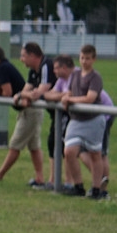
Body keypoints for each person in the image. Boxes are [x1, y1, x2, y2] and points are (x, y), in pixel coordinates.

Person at [0, 43, 52, 185]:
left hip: (30, 111)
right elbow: (4, 92)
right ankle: (40, 178)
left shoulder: (3, 68)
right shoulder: (2, 69)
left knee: (15, 145)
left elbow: (5, 93)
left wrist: (19, 95)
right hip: (29, 109)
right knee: (34, 147)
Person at [60, 44, 107, 199]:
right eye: (82, 58)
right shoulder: (74, 75)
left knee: (95, 154)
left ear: (94, 59)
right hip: (76, 119)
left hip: (93, 119)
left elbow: (90, 98)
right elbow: (69, 90)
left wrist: (70, 100)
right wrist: (66, 96)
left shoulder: (96, 77)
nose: (84, 61)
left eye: (88, 58)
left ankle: (96, 189)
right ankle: (78, 186)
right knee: (69, 151)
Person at [41, 54, 74, 190]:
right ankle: (53, 180)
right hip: (62, 114)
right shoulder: (61, 80)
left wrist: (60, 96)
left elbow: (73, 94)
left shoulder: (76, 77)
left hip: (80, 117)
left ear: (64, 67)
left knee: (68, 146)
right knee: (53, 142)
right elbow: (47, 95)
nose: (54, 72)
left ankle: (69, 182)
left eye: (56, 68)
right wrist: (62, 95)